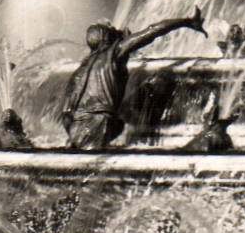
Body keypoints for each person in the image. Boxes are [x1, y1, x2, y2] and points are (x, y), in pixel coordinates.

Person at [62, 8, 206, 149]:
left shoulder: (80, 71)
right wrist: (186, 22)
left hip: (76, 127)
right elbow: (152, 31)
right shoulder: (114, 52)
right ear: (107, 38)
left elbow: (66, 114)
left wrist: (74, 136)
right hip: (98, 122)